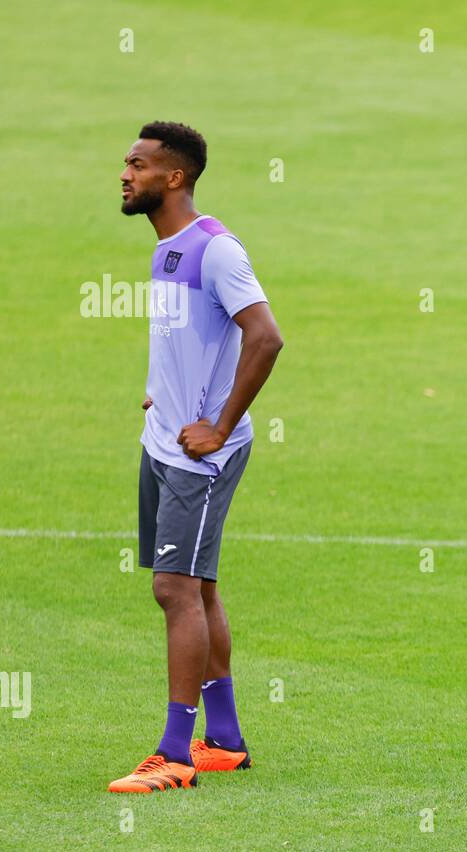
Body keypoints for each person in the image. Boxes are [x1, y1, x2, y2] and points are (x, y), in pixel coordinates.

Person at [110, 122, 284, 792]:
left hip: (198, 459)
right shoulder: (167, 250)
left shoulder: (215, 249)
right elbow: (193, 340)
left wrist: (219, 424)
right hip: (164, 442)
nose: (125, 175)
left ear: (173, 177)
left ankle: (176, 753)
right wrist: (164, 395)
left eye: (138, 165)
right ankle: (227, 740)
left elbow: (265, 337)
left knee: (173, 589)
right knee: (198, 587)